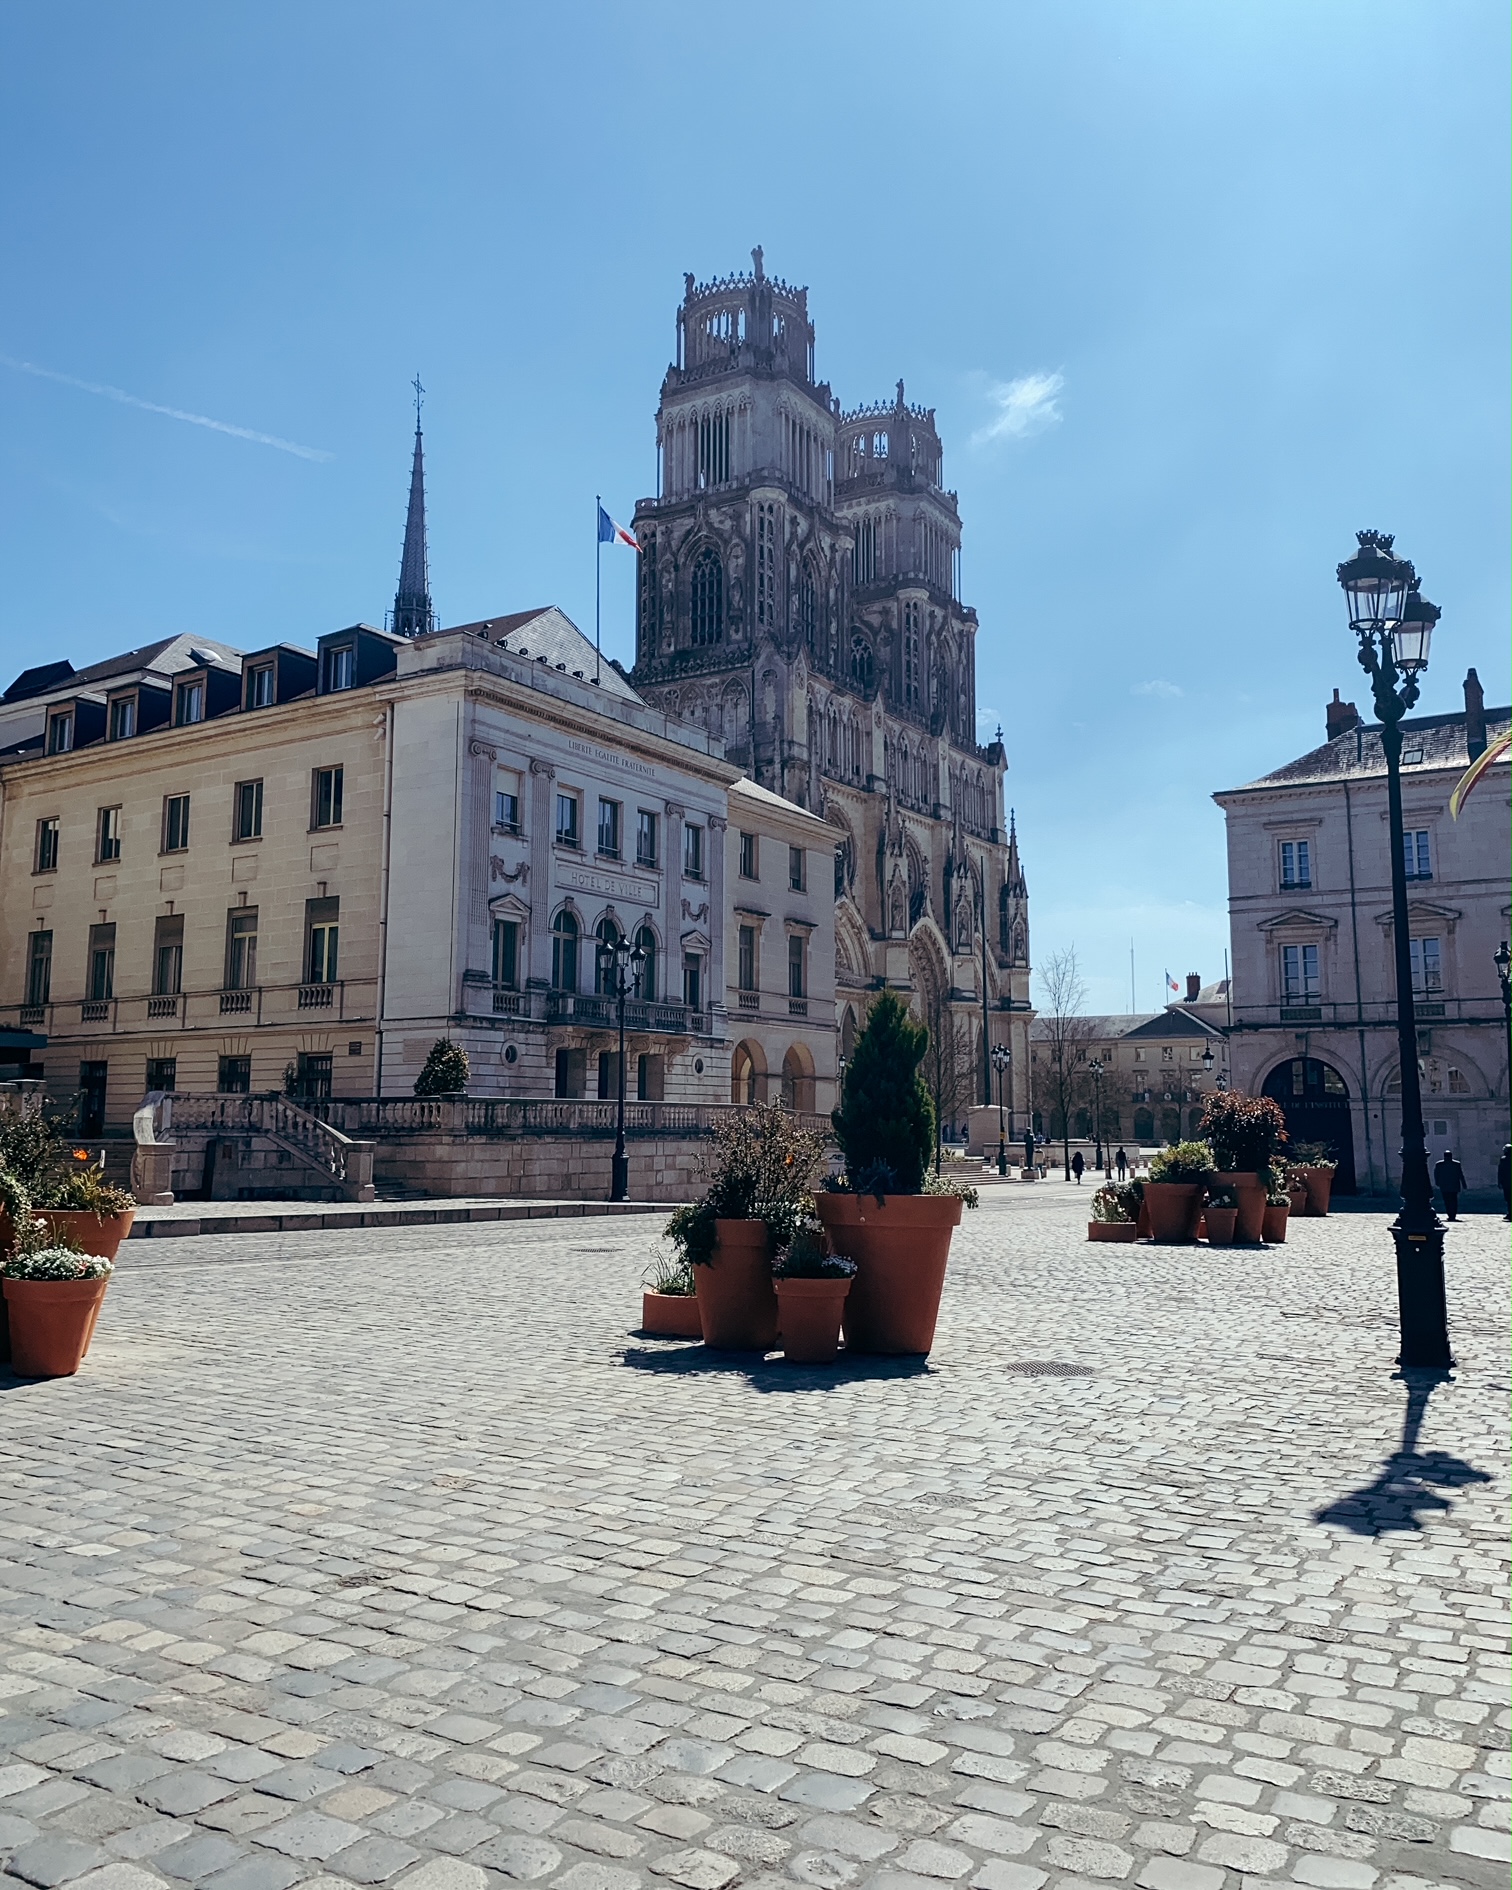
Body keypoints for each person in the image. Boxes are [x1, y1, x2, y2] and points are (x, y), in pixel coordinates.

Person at [1433, 1148, 1466, 1222]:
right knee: (1453, 1201)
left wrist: (1437, 1182)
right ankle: (1452, 1215)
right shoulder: (1456, 1164)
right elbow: (1460, 1175)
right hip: (1453, 1185)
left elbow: (1436, 1174)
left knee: (1448, 1201)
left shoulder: (1440, 1164)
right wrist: (1464, 1184)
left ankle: (1451, 1214)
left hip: (1445, 1186)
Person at [1498, 1144, 1512, 1221]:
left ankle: (1510, 1213)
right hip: (1507, 1183)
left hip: (1507, 1183)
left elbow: (1501, 1171)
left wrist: (1499, 1181)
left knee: (1509, 1199)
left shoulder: (1504, 1160)